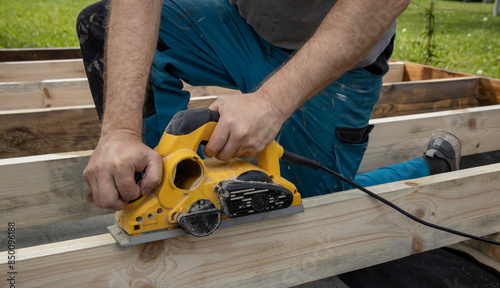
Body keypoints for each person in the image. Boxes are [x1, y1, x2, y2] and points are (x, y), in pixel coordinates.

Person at [77, 0, 460, 211]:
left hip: (338, 60)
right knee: (101, 21)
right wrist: (121, 131)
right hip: (246, 30)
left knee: (298, 209)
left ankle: (432, 166)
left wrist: (271, 102)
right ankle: (172, 194)